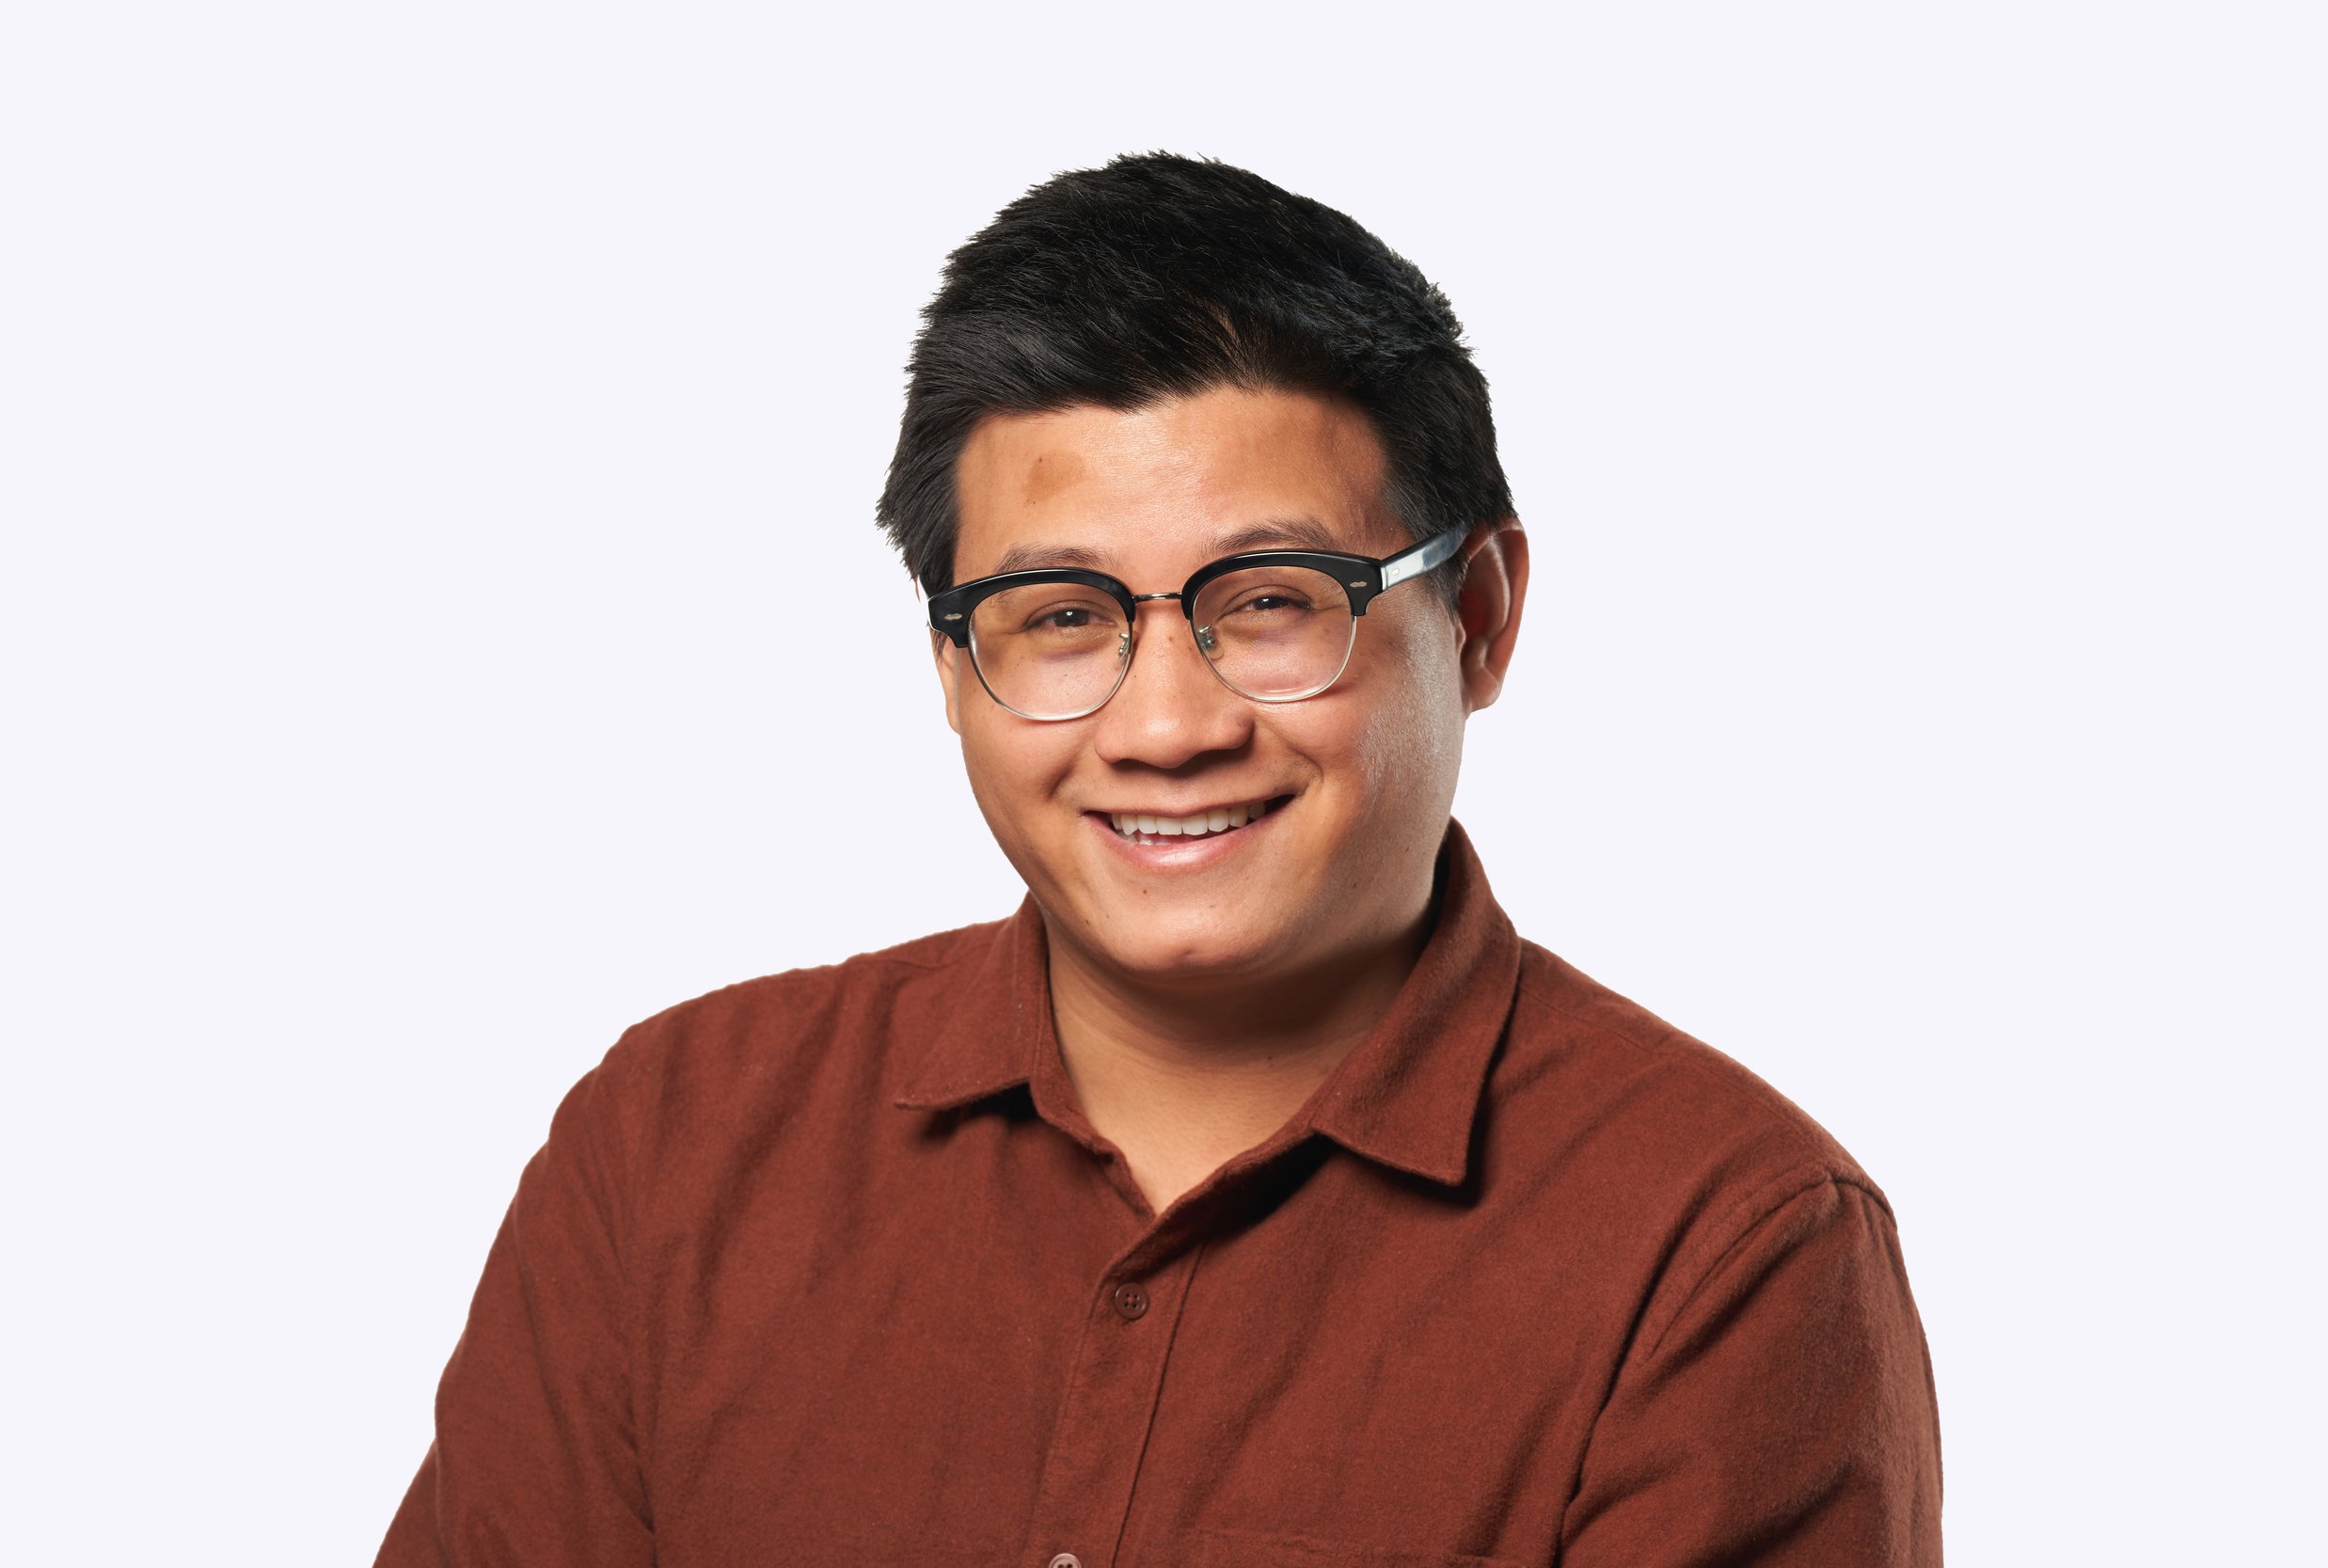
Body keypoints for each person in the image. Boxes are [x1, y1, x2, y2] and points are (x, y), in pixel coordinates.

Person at [376, 152, 1942, 1567]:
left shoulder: (1725, 1246)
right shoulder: (674, 1151)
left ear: (1476, 617)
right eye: (1060, 619)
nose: (1168, 727)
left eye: (1270, 601)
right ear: (951, 665)